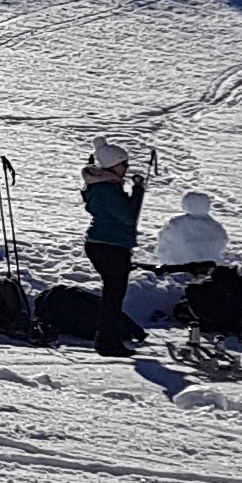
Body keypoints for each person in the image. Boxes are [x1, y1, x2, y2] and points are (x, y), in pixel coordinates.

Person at [81, 142, 145, 352]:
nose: (126, 168)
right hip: (111, 245)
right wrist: (138, 192)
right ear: (112, 165)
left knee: (112, 294)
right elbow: (127, 216)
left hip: (103, 243)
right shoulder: (107, 189)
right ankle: (107, 341)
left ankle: (107, 337)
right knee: (113, 295)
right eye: (123, 164)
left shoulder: (103, 185)